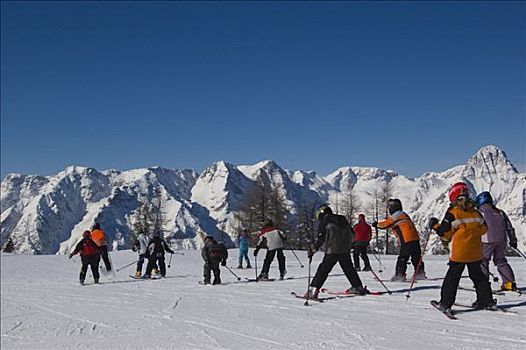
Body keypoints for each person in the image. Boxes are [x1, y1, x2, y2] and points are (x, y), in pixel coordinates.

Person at [429, 182, 496, 313]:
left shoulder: (453, 213)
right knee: (479, 277)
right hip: (475, 252)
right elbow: (484, 229)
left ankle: (445, 304)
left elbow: (445, 233)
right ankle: (487, 301)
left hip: (459, 253)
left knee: (452, 278)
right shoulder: (476, 213)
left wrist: (435, 225)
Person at [306, 205, 367, 299]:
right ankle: (358, 287)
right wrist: (351, 245)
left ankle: (313, 290)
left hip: (332, 250)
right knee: (349, 269)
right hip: (345, 250)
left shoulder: (325, 221)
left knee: (323, 270)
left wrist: (313, 249)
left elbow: (321, 238)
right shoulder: (342, 219)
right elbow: (352, 234)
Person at [372, 199, 426, 281]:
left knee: (403, 258)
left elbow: (387, 224)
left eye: (390, 206)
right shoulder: (403, 214)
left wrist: (377, 224)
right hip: (415, 238)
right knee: (416, 257)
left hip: (407, 239)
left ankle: (399, 275)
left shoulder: (397, 215)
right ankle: (420, 273)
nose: (389, 209)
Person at [476, 191, 518, 291]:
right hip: (502, 240)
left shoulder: (479, 212)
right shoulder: (500, 212)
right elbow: (509, 227)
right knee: (501, 260)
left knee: (483, 260)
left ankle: (483, 284)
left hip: (486, 240)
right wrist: (513, 240)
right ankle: (509, 283)